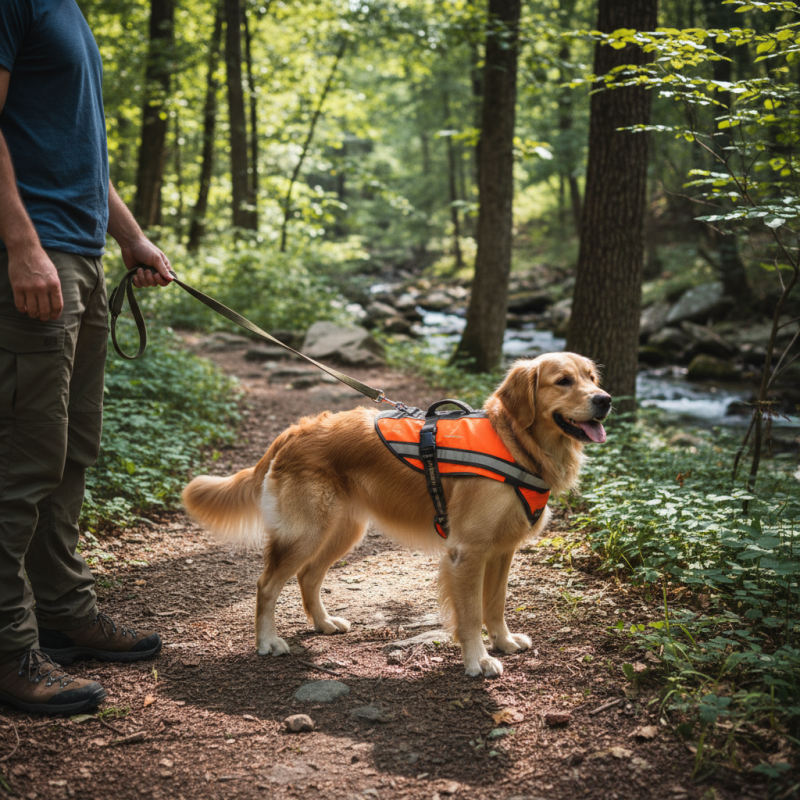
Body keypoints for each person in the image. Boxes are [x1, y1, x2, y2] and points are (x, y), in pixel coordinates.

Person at [0, 0, 173, 716]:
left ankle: (63, 611)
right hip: (34, 256)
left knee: (71, 448)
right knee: (22, 457)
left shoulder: (67, 10)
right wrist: (20, 244)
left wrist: (129, 235)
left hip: (81, 255)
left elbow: (75, 151)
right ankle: (9, 649)